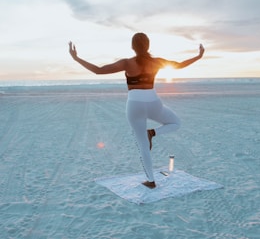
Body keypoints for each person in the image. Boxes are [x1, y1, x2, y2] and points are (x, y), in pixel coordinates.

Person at [69, 33, 205, 189]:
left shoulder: (127, 63)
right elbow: (180, 65)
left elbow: (99, 70)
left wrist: (76, 58)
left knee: (143, 145)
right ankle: (153, 133)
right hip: (154, 102)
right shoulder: (157, 62)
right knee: (175, 123)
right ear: (148, 46)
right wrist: (198, 56)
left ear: (133, 47)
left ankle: (151, 180)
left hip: (135, 104)